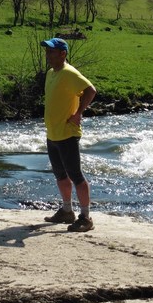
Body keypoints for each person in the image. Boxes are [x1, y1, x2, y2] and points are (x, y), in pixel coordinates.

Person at [40, 37, 97, 232]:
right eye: (47, 51)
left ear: (62, 53)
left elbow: (90, 90)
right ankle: (66, 211)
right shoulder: (51, 73)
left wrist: (78, 113)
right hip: (53, 133)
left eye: (51, 52)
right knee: (60, 175)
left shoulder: (69, 73)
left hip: (67, 133)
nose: (48, 55)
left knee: (76, 175)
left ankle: (86, 218)